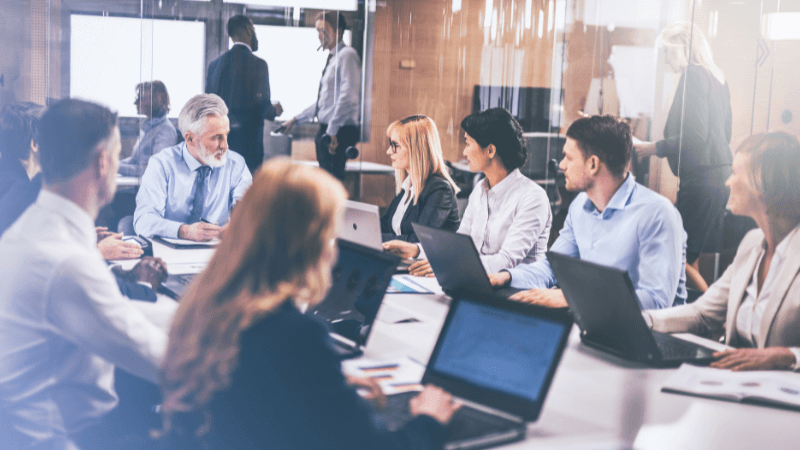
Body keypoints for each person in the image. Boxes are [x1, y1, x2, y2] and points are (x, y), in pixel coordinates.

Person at [160, 159, 460, 449]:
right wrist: (429, 419)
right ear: (308, 243)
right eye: (331, 235)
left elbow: (265, 397)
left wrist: (327, 390)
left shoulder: (210, 304)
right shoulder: (294, 335)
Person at [0, 98, 174, 449]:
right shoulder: (65, 262)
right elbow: (164, 361)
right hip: (75, 438)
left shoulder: (35, 231)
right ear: (102, 162)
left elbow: (114, 310)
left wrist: (196, 313)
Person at [489, 115, 687, 310]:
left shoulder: (657, 214)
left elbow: (655, 301)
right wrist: (507, 276)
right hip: (593, 325)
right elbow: (552, 268)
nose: (562, 165)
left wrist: (574, 298)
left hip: (651, 337)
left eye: (569, 157)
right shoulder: (581, 206)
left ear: (593, 164)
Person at [645, 132, 800, 371]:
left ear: (766, 185)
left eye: (736, 174)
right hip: (736, 384)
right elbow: (702, 314)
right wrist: (643, 320)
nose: (727, 182)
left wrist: (788, 355)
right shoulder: (752, 243)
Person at [386, 108, 552, 277]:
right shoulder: (480, 190)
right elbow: (459, 246)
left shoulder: (532, 197)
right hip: (475, 281)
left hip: (517, 291)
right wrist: (415, 250)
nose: (464, 152)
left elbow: (506, 261)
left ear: (490, 151)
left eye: (468, 143)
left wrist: (448, 265)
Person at [634, 22, 732, 292]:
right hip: (719, 175)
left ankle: (715, 320)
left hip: (701, 179)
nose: (665, 60)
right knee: (689, 253)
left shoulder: (693, 76)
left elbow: (695, 137)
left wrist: (652, 147)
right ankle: (697, 319)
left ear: (684, 48)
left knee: (675, 252)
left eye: (667, 52)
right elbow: (726, 133)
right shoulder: (717, 78)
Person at [0, 102, 145, 260]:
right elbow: (31, 260)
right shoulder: (21, 195)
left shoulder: (12, 183)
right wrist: (97, 250)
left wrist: (77, 238)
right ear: (34, 144)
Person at [133, 93, 252, 241]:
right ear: (190, 138)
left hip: (218, 253)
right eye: (216, 137)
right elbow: (143, 221)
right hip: (171, 252)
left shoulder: (236, 165)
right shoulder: (162, 164)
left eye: (226, 135)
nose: (225, 146)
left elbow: (249, 211)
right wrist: (184, 231)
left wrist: (238, 224)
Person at [277, 11, 361, 181]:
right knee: (327, 180)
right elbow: (325, 101)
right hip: (329, 129)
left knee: (331, 183)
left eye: (324, 30)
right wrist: (296, 119)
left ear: (338, 31)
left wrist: (331, 132)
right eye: (317, 31)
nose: (319, 36)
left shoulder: (347, 55)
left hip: (337, 131)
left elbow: (348, 98)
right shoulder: (334, 57)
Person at [206, 15, 282, 173]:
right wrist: (275, 110)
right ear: (249, 30)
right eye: (254, 30)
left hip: (220, 147)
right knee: (246, 195)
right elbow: (262, 106)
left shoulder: (215, 65)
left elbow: (209, 107)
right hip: (249, 149)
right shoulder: (259, 64)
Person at [379, 115, 460, 249]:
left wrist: (375, 237)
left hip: (426, 265)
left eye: (395, 146)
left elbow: (418, 241)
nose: (389, 151)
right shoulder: (407, 185)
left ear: (416, 148)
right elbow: (384, 225)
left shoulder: (439, 189)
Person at [118, 80, 178, 177]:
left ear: (156, 100)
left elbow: (152, 171)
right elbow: (134, 161)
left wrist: (116, 167)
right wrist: (112, 165)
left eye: (141, 98)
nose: (136, 103)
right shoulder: (149, 128)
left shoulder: (165, 131)